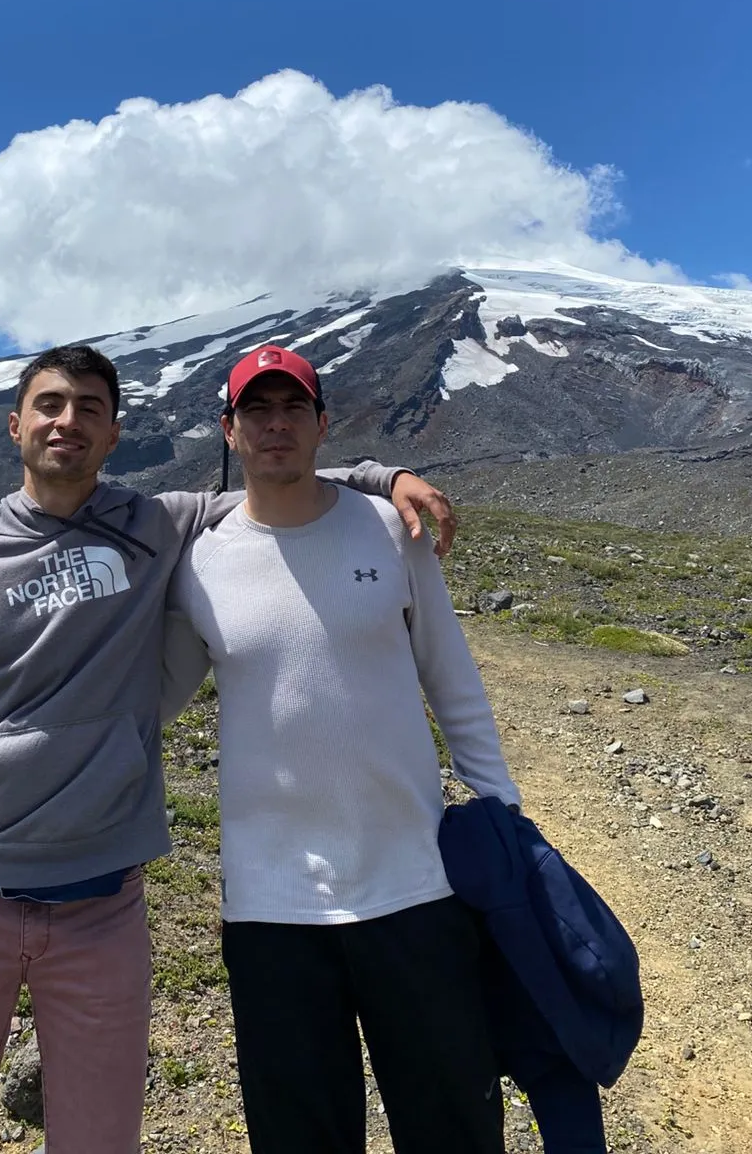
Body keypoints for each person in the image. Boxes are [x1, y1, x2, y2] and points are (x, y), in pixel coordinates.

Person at [0, 342, 453, 1154]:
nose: (67, 422)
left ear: (114, 434)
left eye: (89, 409)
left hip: (102, 905)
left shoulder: (156, 524)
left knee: (101, 1138)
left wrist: (386, 478)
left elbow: (278, 473)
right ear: (15, 425)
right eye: (50, 405)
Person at [163, 343, 521, 1154]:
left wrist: (505, 817)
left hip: (415, 887)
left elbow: (452, 680)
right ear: (228, 430)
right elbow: (153, 702)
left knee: (455, 1130)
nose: (276, 425)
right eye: (257, 410)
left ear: (323, 424)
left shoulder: (391, 530)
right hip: (271, 909)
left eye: (293, 408)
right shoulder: (201, 562)